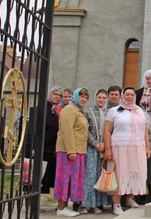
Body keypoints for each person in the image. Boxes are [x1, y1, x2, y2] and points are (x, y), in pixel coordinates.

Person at [104, 87, 150, 215]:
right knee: (119, 173)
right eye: (127, 94)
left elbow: (144, 130)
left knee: (135, 171)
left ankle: (130, 198)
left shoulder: (140, 110)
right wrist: (108, 149)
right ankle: (116, 204)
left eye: (132, 94)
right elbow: (107, 131)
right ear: (123, 96)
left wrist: (147, 147)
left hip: (137, 147)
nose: (129, 97)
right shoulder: (114, 111)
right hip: (119, 147)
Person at [54, 88, 89, 217]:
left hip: (79, 150)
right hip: (68, 151)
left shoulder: (79, 111)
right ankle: (61, 207)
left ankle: (65, 206)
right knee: (64, 178)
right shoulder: (69, 110)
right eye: (81, 96)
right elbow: (67, 131)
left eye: (86, 97)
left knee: (72, 180)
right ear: (75, 96)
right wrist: (71, 151)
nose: (84, 99)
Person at [81, 89, 111, 214]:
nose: (101, 100)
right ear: (95, 98)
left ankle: (96, 204)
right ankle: (85, 204)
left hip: (104, 149)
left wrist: (105, 144)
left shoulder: (109, 113)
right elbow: (85, 130)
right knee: (89, 176)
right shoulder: (87, 111)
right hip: (91, 148)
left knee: (100, 176)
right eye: (99, 97)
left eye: (104, 98)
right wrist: (95, 143)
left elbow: (110, 130)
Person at [39, 86, 62, 197]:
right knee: (37, 175)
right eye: (55, 94)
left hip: (51, 148)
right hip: (41, 146)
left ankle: (37, 202)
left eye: (59, 95)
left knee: (45, 176)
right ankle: (32, 202)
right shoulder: (43, 108)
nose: (57, 97)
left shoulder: (55, 110)